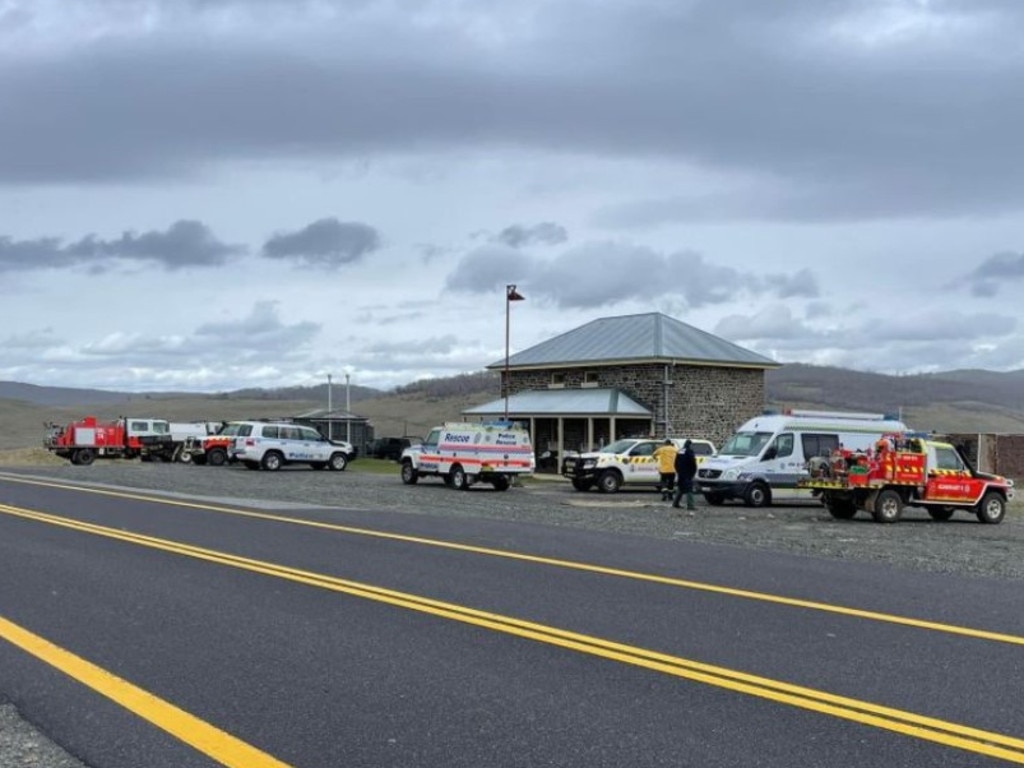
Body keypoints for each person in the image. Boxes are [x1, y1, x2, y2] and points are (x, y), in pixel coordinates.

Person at [672, 439, 698, 510]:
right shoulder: (689, 451)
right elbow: (693, 463)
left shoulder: (680, 451)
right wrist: (693, 472)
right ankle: (690, 505)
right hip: (688, 473)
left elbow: (675, 463)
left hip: (680, 473)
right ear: (690, 445)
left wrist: (678, 471)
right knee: (689, 489)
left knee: (681, 487)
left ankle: (675, 503)